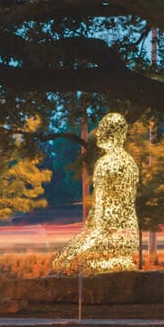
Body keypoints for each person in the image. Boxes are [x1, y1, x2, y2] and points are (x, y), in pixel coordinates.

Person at [52, 112, 139, 275]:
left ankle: (111, 264)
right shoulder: (129, 163)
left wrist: (91, 236)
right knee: (64, 260)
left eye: (103, 129)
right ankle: (116, 262)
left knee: (66, 262)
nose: (98, 133)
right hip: (125, 235)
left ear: (113, 134)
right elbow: (105, 207)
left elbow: (108, 211)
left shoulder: (106, 164)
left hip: (112, 235)